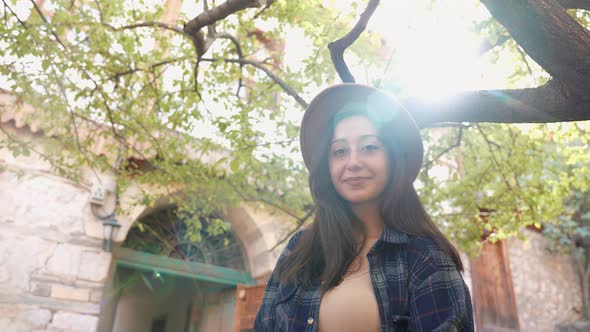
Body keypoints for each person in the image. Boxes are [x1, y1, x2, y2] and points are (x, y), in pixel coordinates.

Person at [253, 84, 474, 332]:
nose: (353, 162)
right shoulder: (299, 252)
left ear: (393, 158)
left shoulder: (424, 256)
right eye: (340, 151)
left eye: (369, 147)